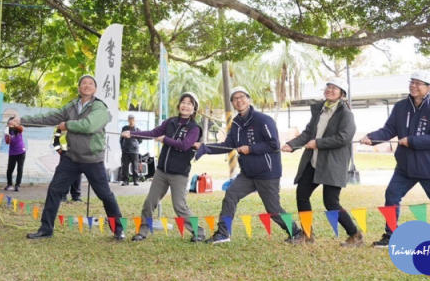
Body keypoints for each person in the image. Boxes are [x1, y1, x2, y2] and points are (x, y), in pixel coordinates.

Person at [11, 74, 125, 240]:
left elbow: (90, 126)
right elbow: (49, 117)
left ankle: (118, 229)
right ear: (79, 88)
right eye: (83, 83)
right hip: (71, 157)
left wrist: (67, 125)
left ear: (95, 89)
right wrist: (22, 120)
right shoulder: (71, 106)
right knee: (55, 190)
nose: (86, 85)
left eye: (90, 83)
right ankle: (46, 229)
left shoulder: (100, 108)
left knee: (105, 195)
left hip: (92, 159)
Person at [360, 72, 430, 249]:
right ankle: (390, 235)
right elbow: (389, 130)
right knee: (392, 196)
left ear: (429, 88)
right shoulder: (400, 107)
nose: (414, 86)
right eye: (412, 82)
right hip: (405, 166)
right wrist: (372, 138)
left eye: (419, 83)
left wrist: (411, 141)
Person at [194, 86, 297, 243]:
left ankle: (296, 232)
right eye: (235, 99)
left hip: (267, 173)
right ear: (233, 103)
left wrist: (251, 148)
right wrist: (205, 148)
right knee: (230, 196)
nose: (239, 100)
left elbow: (274, 144)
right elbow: (228, 144)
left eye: (242, 97)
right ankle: (223, 233)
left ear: (248, 99)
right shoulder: (236, 123)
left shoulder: (263, 120)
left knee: (273, 210)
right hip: (248, 174)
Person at [281, 78, 362, 245]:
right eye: (328, 87)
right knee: (302, 194)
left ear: (342, 94)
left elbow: (344, 137)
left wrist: (318, 143)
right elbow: (308, 133)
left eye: (335, 88)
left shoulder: (346, 114)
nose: (330, 90)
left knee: (331, 202)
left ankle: (355, 235)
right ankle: (307, 234)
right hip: (313, 161)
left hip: (333, 163)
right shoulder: (319, 110)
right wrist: (292, 145)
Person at [124, 92, 206, 242]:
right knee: (149, 203)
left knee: (179, 206)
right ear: (179, 105)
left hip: (179, 173)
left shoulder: (195, 128)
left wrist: (165, 140)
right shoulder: (170, 122)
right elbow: (153, 133)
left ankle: (198, 232)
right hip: (161, 171)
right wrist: (133, 133)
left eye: (189, 103)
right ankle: (142, 231)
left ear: (194, 108)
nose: (185, 105)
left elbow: (185, 145)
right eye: (183, 102)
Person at [52, 127, 82, 202]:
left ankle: (76, 196)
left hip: (77, 152)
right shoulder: (60, 126)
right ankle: (63, 196)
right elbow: (55, 139)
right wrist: (59, 150)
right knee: (65, 175)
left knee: (77, 174)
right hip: (65, 152)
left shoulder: (77, 123)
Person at [4, 122, 26, 192]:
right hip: (12, 153)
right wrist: (8, 134)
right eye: (8, 124)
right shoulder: (7, 132)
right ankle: (9, 184)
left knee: (20, 169)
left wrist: (15, 125)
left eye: (11, 124)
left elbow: (21, 128)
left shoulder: (18, 130)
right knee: (10, 169)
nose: (10, 126)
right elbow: (7, 142)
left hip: (21, 152)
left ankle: (17, 185)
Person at [120, 115, 141, 185]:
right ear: (128, 120)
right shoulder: (124, 128)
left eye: (132, 119)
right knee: (125, 166)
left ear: (134, 120)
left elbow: (140, 140)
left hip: (134, 151)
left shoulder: (137, 129)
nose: (131, 120)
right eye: (130, 119)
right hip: (125, 150)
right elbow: (121, 139)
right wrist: (122, 147)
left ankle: (136, 180)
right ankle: (125, 181)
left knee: (135, 166)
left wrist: (135, 145)